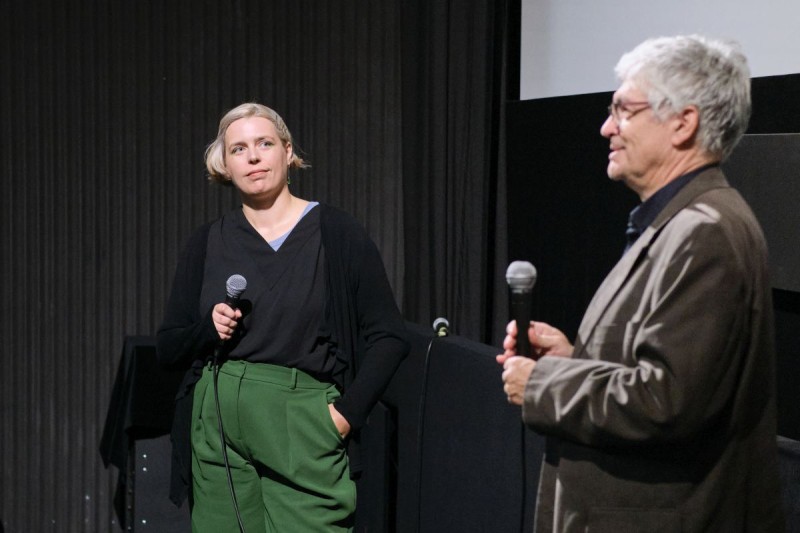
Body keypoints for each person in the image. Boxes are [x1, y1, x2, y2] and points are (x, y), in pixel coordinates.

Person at [498, 35, 784, 532]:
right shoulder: (681, 223)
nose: (606, 126)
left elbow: (665, 402)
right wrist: (574, 361)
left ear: (683, 123)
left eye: (622, 110)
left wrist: (544, 383)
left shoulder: (706, 232)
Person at [156, 102, 409, 531]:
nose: (253, 157)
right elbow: (168, 346)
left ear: (287, 152)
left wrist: (342, 417)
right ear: (225, 165)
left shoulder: (336, 232)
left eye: (264, 143)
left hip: (304, 421)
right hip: (219, 425)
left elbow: (389, 335)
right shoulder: (208, 242)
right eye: (238, 149)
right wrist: (207, 329)